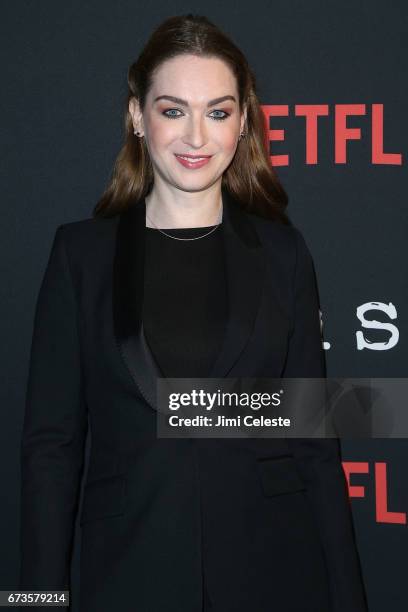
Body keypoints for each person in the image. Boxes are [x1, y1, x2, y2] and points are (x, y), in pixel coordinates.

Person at [19, 13, 369, 612]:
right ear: (137, 116)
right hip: (131, 571)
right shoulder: (80, 256)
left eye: (218, 111)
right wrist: (38, 602)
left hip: (277, 573)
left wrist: (349, 600)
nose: (197, 138)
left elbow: (315, 442)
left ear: (242, 124)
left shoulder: (284, 254)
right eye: (173, 110)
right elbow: (51, 450)